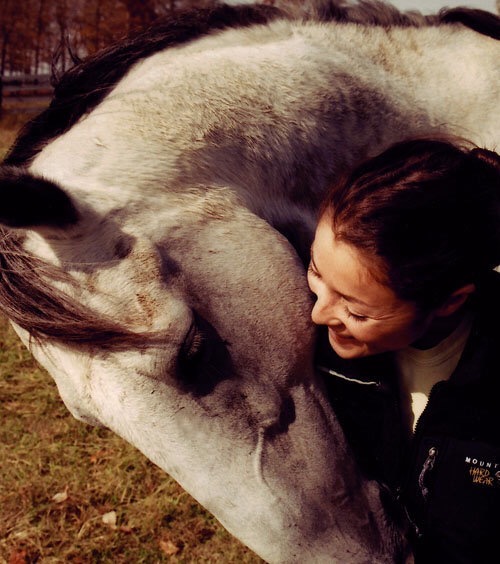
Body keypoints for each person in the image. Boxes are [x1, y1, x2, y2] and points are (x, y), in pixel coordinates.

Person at [308, 138, 500, 563]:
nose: (319, 314)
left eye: (356, 311)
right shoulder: (313, 352)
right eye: (316, 273)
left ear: (449, 301)